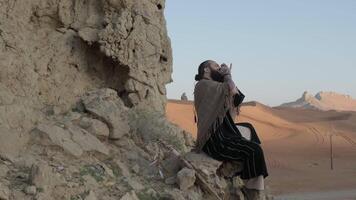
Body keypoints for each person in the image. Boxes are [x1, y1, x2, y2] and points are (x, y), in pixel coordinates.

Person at [193, 60, 269, 196]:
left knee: (249, 128)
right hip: (214, 138)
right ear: (206, 70)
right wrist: (227, 75)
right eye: (216, 66)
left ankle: (242, 167)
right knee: (255, 150)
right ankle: (253, 191)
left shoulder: (217, 86)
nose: (219, 68)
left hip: (224, 130)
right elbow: (231, 89)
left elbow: (237, 98)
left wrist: (227, 77)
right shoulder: (203, 85)